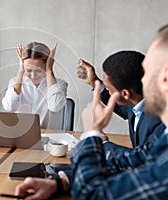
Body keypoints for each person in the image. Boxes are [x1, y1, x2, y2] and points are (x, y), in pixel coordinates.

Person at [15, 25, 168, 199]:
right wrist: (61, 181)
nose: (141, 80)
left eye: (147, 72)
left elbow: (91, 193)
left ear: (165, 78)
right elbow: (130, 161)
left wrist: (92, 133)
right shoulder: (163, 137)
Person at [77, 51, 165, 158]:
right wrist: (94, 82)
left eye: (109, 89)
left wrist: (104, 144)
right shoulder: (137, 100)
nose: (108, 91)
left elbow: (142, 158)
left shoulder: (160, 121)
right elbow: (120, 107)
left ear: (125, 93)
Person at [2, 42, 68, 129]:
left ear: (47, 64)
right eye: (28, 70)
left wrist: (49, 70)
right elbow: (10, 107)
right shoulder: (15, 82)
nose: (33, 76)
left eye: (38, 71)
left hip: (47, 137)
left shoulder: (59, 84)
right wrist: (21, 70)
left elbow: (55, 106)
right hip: (19, 136)